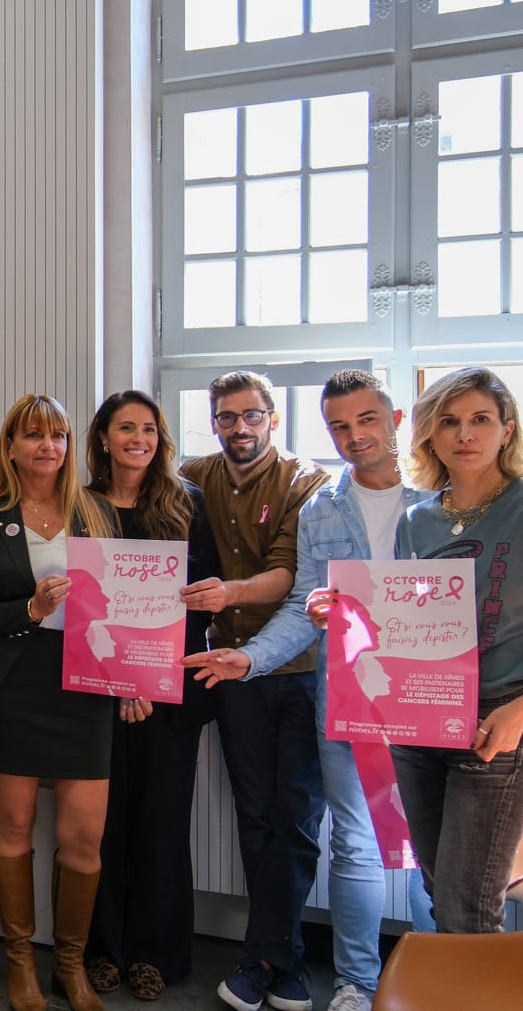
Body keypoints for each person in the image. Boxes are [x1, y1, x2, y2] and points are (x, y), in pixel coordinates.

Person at [183, 371, 434, 1011]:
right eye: (340, 427)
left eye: (366, 421)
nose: (354, 437)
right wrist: (248, 657)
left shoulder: (441, 499)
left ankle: (445, 970)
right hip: (343, 688)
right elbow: (304, 601)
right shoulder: (326, 507)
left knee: (434, 848)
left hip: (435, 692)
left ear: (396, 419)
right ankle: (355, 983)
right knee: (352, 841)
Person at [0, 394, 119, 1011]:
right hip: (11, 686)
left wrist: (134, 681)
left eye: (56, 435)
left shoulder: (97, 512)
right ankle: (21, 961)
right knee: (14, 826)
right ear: (11, 446)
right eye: (32, 436)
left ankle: (69, 965)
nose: (46, 446)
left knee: (83, 837)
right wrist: (29, 610)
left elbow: (127, 610)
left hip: (87, 686)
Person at [178, 370, 330, 1011]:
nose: (240, 427)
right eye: (227, 417)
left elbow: (293, 577)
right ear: (213, 422)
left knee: (296, 819)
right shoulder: (193, 475)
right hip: (229, 671)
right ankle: (280, 960)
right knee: (255, 816)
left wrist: (230, 593)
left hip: (299, 669)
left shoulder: (307, 482)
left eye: (252, 415)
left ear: (273, 416)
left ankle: (268, 957)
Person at [81, 390, 222, 1001]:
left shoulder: (187, 503)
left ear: (160, 438)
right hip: (97, 692)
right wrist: (119, 682)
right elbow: (82, 605)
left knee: (162, 826)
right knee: (100, 829)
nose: (137, 438)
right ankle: (102, 950)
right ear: (104, 438)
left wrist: (150, 678)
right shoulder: (79, 506)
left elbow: (204, 598)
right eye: (124, 427)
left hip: (171, 692)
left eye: (148, 428)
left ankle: (155, 954)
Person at [385, 367, 523, 932]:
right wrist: (342, 612)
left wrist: (521, 712)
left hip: (497, 722)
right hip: (420, 721)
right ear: (430, 436)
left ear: (506, 431)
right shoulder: (416, 521)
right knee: (443, 894)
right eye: (449, 421)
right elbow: (401, 622)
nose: (465, 433)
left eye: (480, 420)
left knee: (468, 907)